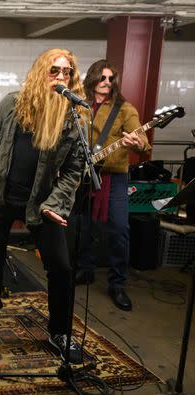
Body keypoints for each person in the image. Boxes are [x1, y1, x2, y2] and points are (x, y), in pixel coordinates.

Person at [0, 48, 86, 364]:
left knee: (61, 268)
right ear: (40, 72)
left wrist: (57, 204)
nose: (61, 77)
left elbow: (75, 169)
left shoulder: (72, 118)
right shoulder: (13, 103)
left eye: (67, 72)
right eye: (55, 71)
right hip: (1, 196)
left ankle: (60, 331)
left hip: (42, 203)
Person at [73, 59, 150, 312]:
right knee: (83, 226)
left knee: (119, 229)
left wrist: (136, 143)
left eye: (111, 78)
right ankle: (85, 269)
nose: (106, 82)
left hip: (113, 176)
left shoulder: (125, 109)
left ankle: (117, 283)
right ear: (93, 78)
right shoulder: (79, 105)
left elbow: (144, 143)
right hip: (83, 175)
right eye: (102, 77)